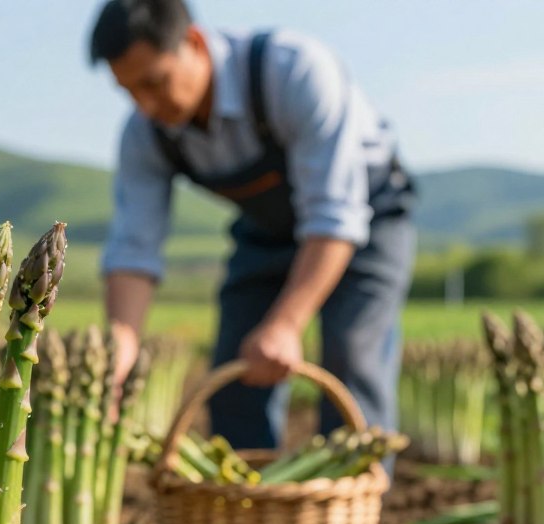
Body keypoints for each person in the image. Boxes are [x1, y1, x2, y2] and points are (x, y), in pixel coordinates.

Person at [90, 0, 417, 459]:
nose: (146, 104)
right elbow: (133, 249)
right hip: (267, 230)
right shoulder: (144, 133)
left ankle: (354, 510)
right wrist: (120, 347)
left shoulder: (294, 71)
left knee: (352, 358)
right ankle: (246, 511)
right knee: (236, 373)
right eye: (129, 91)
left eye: (154, 82)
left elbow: (334, 216)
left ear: (195, 43)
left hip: (365, 220)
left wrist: (285, 325)